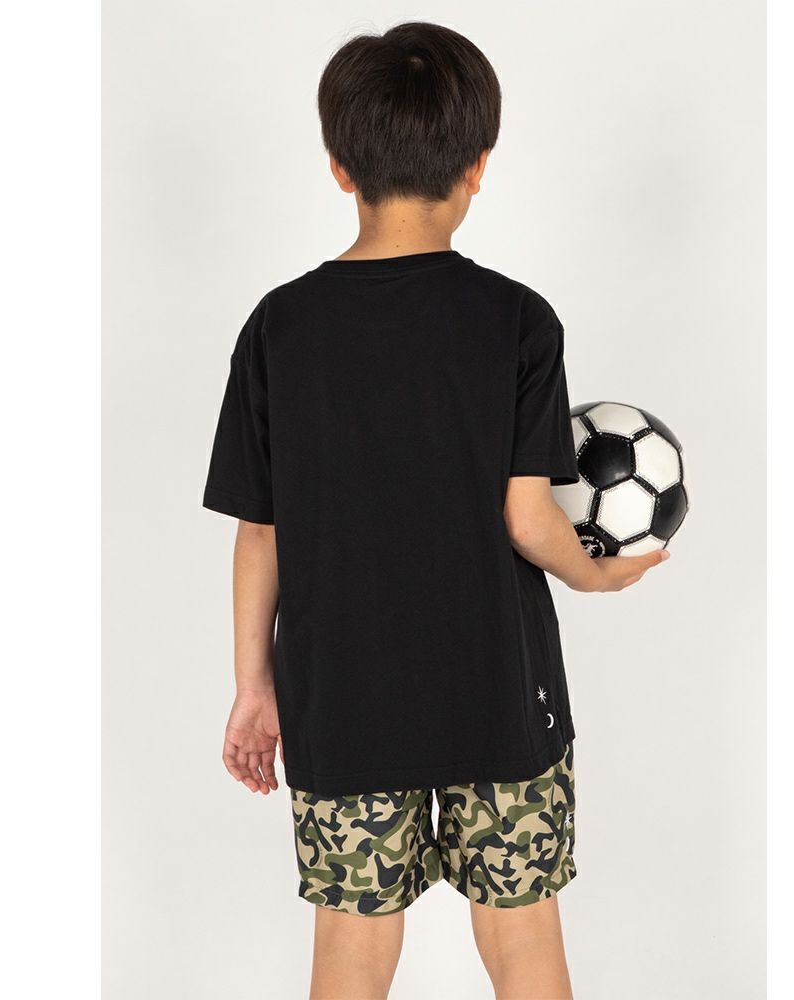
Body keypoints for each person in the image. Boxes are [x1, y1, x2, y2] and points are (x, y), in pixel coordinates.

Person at [203, 21, 668, 1000]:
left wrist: (255, 685)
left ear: (339, 167)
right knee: (522, 939)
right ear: (478, 166)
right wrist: (595, 575)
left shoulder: (279, 326)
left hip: (342, 701)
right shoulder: (518, 320)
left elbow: (261, 529)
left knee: (353, 946)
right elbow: (528, 518)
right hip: (498, 693)